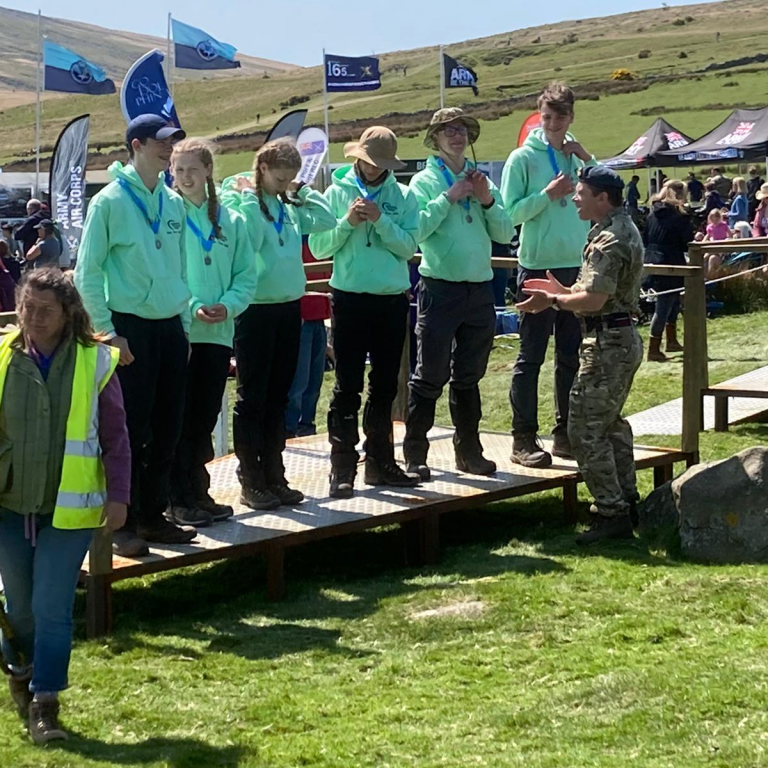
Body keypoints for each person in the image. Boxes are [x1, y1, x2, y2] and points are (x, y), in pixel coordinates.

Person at [0, 268, 129, 743]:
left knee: (51, 606)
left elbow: (116, 438)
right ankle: (20, 670)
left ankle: (45, 701)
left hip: (68, 511)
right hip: (10, 505)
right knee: (19, 610)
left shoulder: (95, 362)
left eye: (44, 311)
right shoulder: (2, 356)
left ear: (68, 313)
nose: (32, 318)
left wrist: (119, 497)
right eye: (26, 308)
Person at [75, 114, 193, 557]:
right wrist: (107, 332)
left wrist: (182, 326)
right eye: (161, 143)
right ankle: (120, 525)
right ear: (136, 145)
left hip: (168, 327)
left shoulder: (173, 201)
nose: (169, 150)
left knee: (168, 426)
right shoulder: (108, 202)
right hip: (127, 329)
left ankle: (153, 515)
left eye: (173, 143)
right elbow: (88, 272)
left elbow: (181, 268)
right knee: (129, 429)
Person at [517, 166, 644, 544]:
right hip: (616, 339)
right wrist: (563, 288)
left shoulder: (609, 239)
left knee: (585, 430)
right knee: (609, 424)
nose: (574, 198)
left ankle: (612, 511)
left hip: (608, 343)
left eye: (582, 193)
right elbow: (593, 289)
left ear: (601, 199)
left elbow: (594, 300)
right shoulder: (618, 228)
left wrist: (553, 300)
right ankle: (626, 500)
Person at [220, 139, 335, 509]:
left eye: (290, 178)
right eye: (279, 177)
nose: (285, 183)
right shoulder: (247, 203)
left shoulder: (288, 203)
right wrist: (250, 199)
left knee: (280, 396)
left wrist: (301, 194)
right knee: (252, 396)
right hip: (255, 309)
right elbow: (249, 239)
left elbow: (327, 221)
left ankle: (274, 472)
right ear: (262, 169)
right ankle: (250, 476)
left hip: (289, 306)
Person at [402, 108, 515, 480]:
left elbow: (504, 234)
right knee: (430, 373)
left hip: (478, 288)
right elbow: (416, 229)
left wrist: (485, 199)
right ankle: (415, 454)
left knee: (469, 375)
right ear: (434, 138)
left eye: (461, 129)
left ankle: (469, 451)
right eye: (447, 130)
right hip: (440, 287)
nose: (456, 135)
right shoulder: (423, 181)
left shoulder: (482, 179)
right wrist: (448, 197)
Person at [308, 127, 421, 498]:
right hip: (349, 299)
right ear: (357, 157)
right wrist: (348, 223)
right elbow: (320, 246)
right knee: (347, 387)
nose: (373, 170)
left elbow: (408, 247)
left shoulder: (403, 196)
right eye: (369, 163)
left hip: (390, 299)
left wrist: (379, 220)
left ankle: (381, 463)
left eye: (381, 165)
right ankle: (342, 468)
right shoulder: (335, 193)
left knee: (386, 385)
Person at [500, 81, 596, 468]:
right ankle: (523, 438)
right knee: (531, 356)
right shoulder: (522, 158)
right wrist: (548, 194)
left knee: (571, 354)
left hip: (576, 264)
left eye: (560, 117)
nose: (553, 124)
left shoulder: (577, 156)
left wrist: (586, 157)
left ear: (571, 117)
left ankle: (565, 434)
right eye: (547, 117)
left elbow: (610, 193)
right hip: (537, 265)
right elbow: (507, 216)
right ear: (539, 117)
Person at [167, 138, 257, 528]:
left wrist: (230, 305)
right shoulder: (167, 214)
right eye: (179, 169)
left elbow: (247, 274)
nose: (185, 177)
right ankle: (176, 499)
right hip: (181, 333)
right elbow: (164, 272)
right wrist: (190, 307)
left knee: (202, 420)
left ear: (208, 172)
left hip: (217, 334)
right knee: (177, 419)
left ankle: (198, 493)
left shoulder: (231, 221)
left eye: (192, 169)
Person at [285, 238, 331, 438]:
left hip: (319, 316)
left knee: (315, 379)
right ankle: (289, 427)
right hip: (299, 317)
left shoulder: (322, 240)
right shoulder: (294, 239)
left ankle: (307, 425)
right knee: (298, 380)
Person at [643, 180, 693, 362]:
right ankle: (653, 349)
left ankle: (671, 340)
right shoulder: (680, 215)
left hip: (653, 258)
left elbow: (646, 237)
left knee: (671, 301)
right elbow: (686, 241)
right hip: (672, 260)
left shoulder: (652, 214)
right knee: (664, 304)